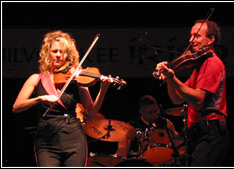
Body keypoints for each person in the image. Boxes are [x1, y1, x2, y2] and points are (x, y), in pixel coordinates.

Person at [12, 30, 112, 167]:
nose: (58, 55)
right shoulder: (36, 79)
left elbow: (91, 111)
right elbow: (16, 107)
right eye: (55, 51)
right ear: (48, 53)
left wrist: (103, 89)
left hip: (74, 138)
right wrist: (40, 98)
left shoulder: (75, 78)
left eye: (62, 52)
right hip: (46, 140)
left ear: (67, 55)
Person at [155, 20, 229, 166]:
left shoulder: (212, 63)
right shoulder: (199, 66)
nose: (191, 40)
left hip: (211, 131)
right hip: (199, 132)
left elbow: (198, 99)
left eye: (197, 36)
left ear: (211, 40)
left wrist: (172, 77)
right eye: (191, 36)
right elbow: (176, 99)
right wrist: (170, 79)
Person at [116, 95, 182, 166]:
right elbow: (122, 151)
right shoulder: (131, 126)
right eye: (150, 112)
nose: (154, 115)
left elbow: (177, 141)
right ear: (141, 112)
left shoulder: (166, 123)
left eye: (156, 111)